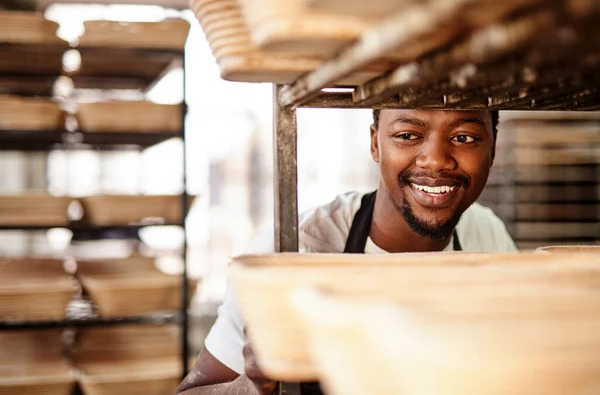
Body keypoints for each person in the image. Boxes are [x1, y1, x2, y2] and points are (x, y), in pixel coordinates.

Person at [176, 109, 516, 395]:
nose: (437, 160)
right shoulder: (293, 250)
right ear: (374, 144)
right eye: (408, 135)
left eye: (464, 138)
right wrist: (254, 384)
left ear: (493, 148)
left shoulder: (487, 234)